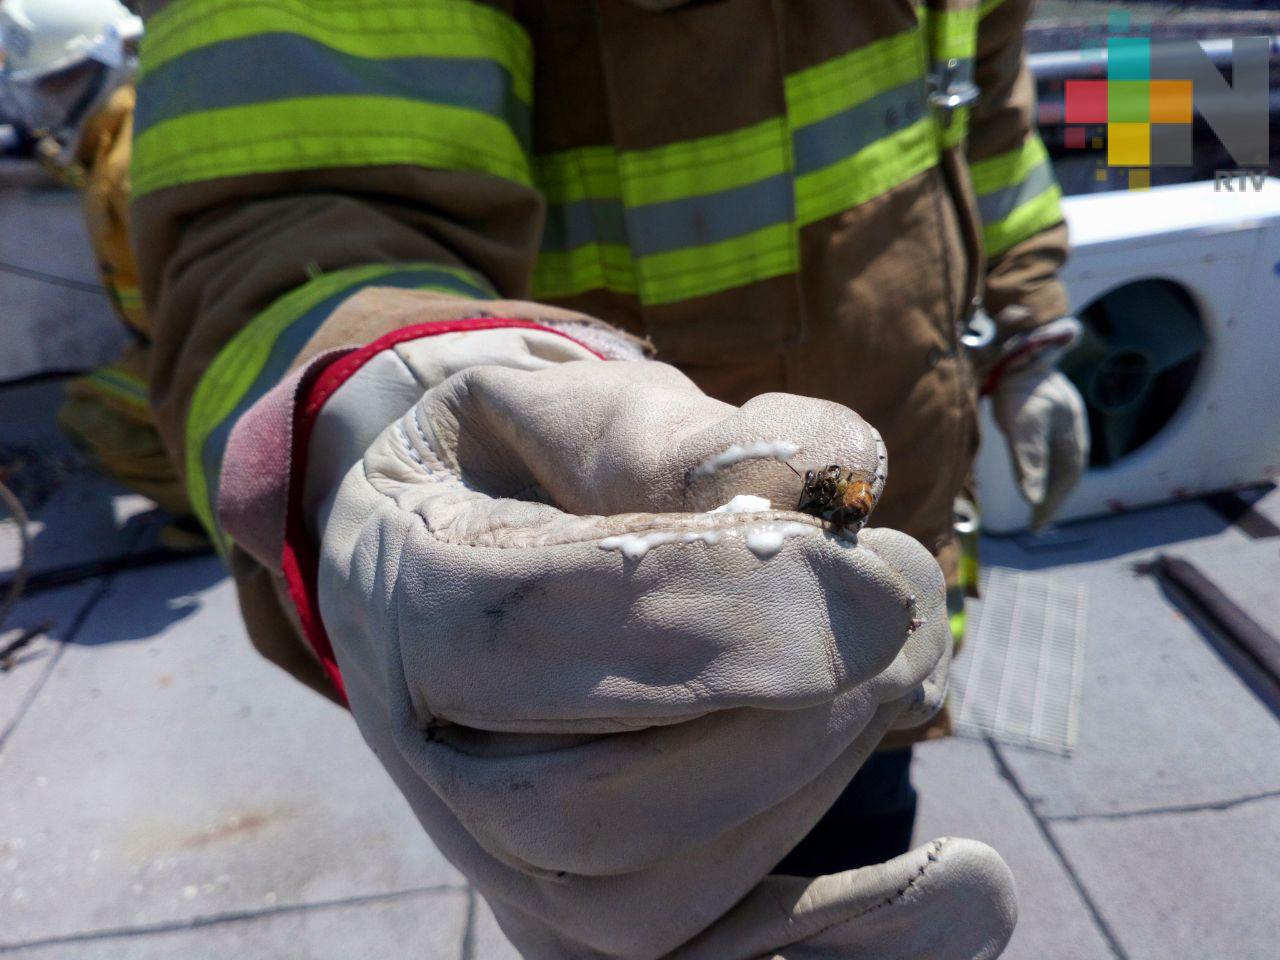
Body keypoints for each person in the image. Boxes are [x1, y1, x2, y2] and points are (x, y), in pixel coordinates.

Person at [128, 0, 1088, 955]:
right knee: (655, 902)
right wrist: (380, 404)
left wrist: (1027, 317)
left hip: (877, 615)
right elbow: (283, 186)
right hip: (633, 651)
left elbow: (979, 93)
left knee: (873, 844)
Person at [0, 0, 203, 540]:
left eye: (53, 85)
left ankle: (231, 512)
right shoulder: (122, 128)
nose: (43, 105)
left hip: (201, 352)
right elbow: (81, 166)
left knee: (91, 416)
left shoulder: (127, 171)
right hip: (175, 341)